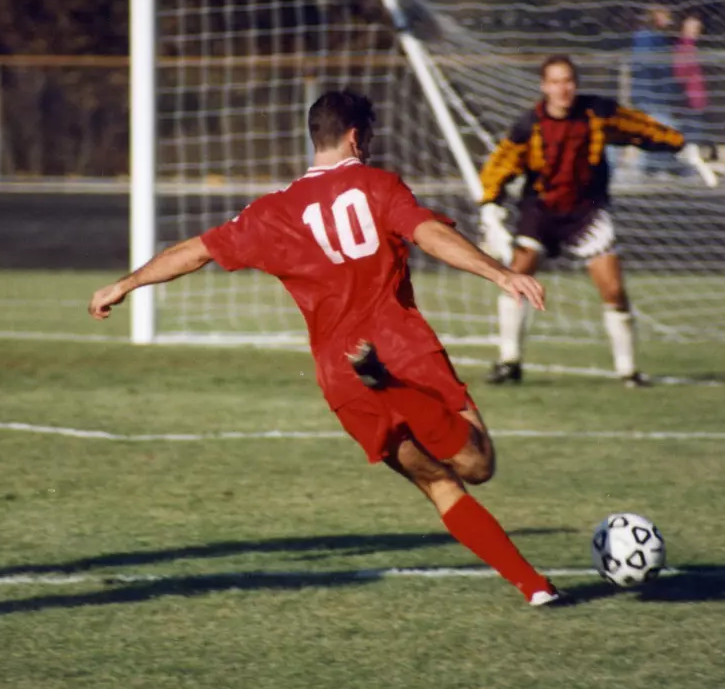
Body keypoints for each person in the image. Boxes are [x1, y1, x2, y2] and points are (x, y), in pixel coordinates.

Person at [89, 91, 569, 607]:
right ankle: (395, 390)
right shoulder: (378, 184)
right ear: (357, 137)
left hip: (342, 375)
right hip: (401, 348)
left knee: (439, 484)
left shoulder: (271, 211)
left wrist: (127, 283)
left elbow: (195, 252)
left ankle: (536, 589)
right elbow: (427, 233)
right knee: (476, 463)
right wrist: (498, 271)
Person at [478, 55, 725, 387]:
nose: (562, 88)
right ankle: (509, 362)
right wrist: (490, 205)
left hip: (586, 213)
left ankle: (628, 371)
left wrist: (687, 148)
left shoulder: (597, 113)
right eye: (554, 82)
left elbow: (641, 128)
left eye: (567, 80)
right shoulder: (529, 125)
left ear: (575, 84)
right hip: (540, 211)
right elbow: (501, 164)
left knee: (613, 289)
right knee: (518, 275)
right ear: (544, 87)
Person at [630, 6, 685, 177]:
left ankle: (650, 167)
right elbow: (649, 62)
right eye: (665, 16)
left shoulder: (657, 38)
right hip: (652, 93)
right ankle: (654, 167)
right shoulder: (648, 37)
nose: (669, 20)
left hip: (656, 93)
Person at [673, 14, 708, 143]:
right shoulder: (683, 48)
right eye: (693, 28)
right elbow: (680, 74)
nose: (697, 31)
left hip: (697, 100)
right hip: (690, 101)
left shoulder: (694, 48)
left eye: (698, 28)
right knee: (691, 139)